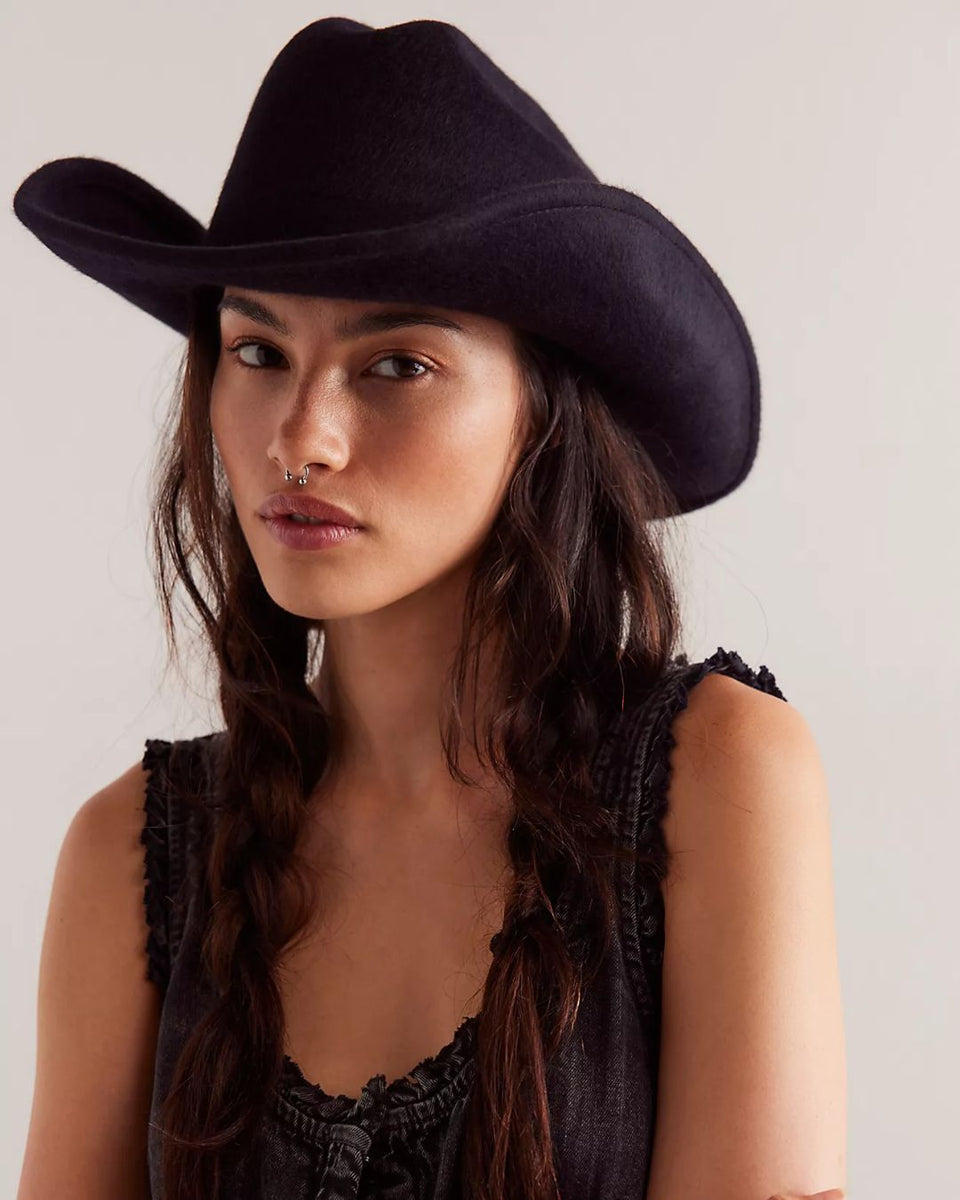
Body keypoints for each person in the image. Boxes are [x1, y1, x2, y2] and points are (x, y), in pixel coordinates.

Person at [13, 17, 846, 1200]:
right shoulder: (137, 857)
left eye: (396, 364)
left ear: (541, 415)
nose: (300, 438)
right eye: (256, 353)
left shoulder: (712, 778)